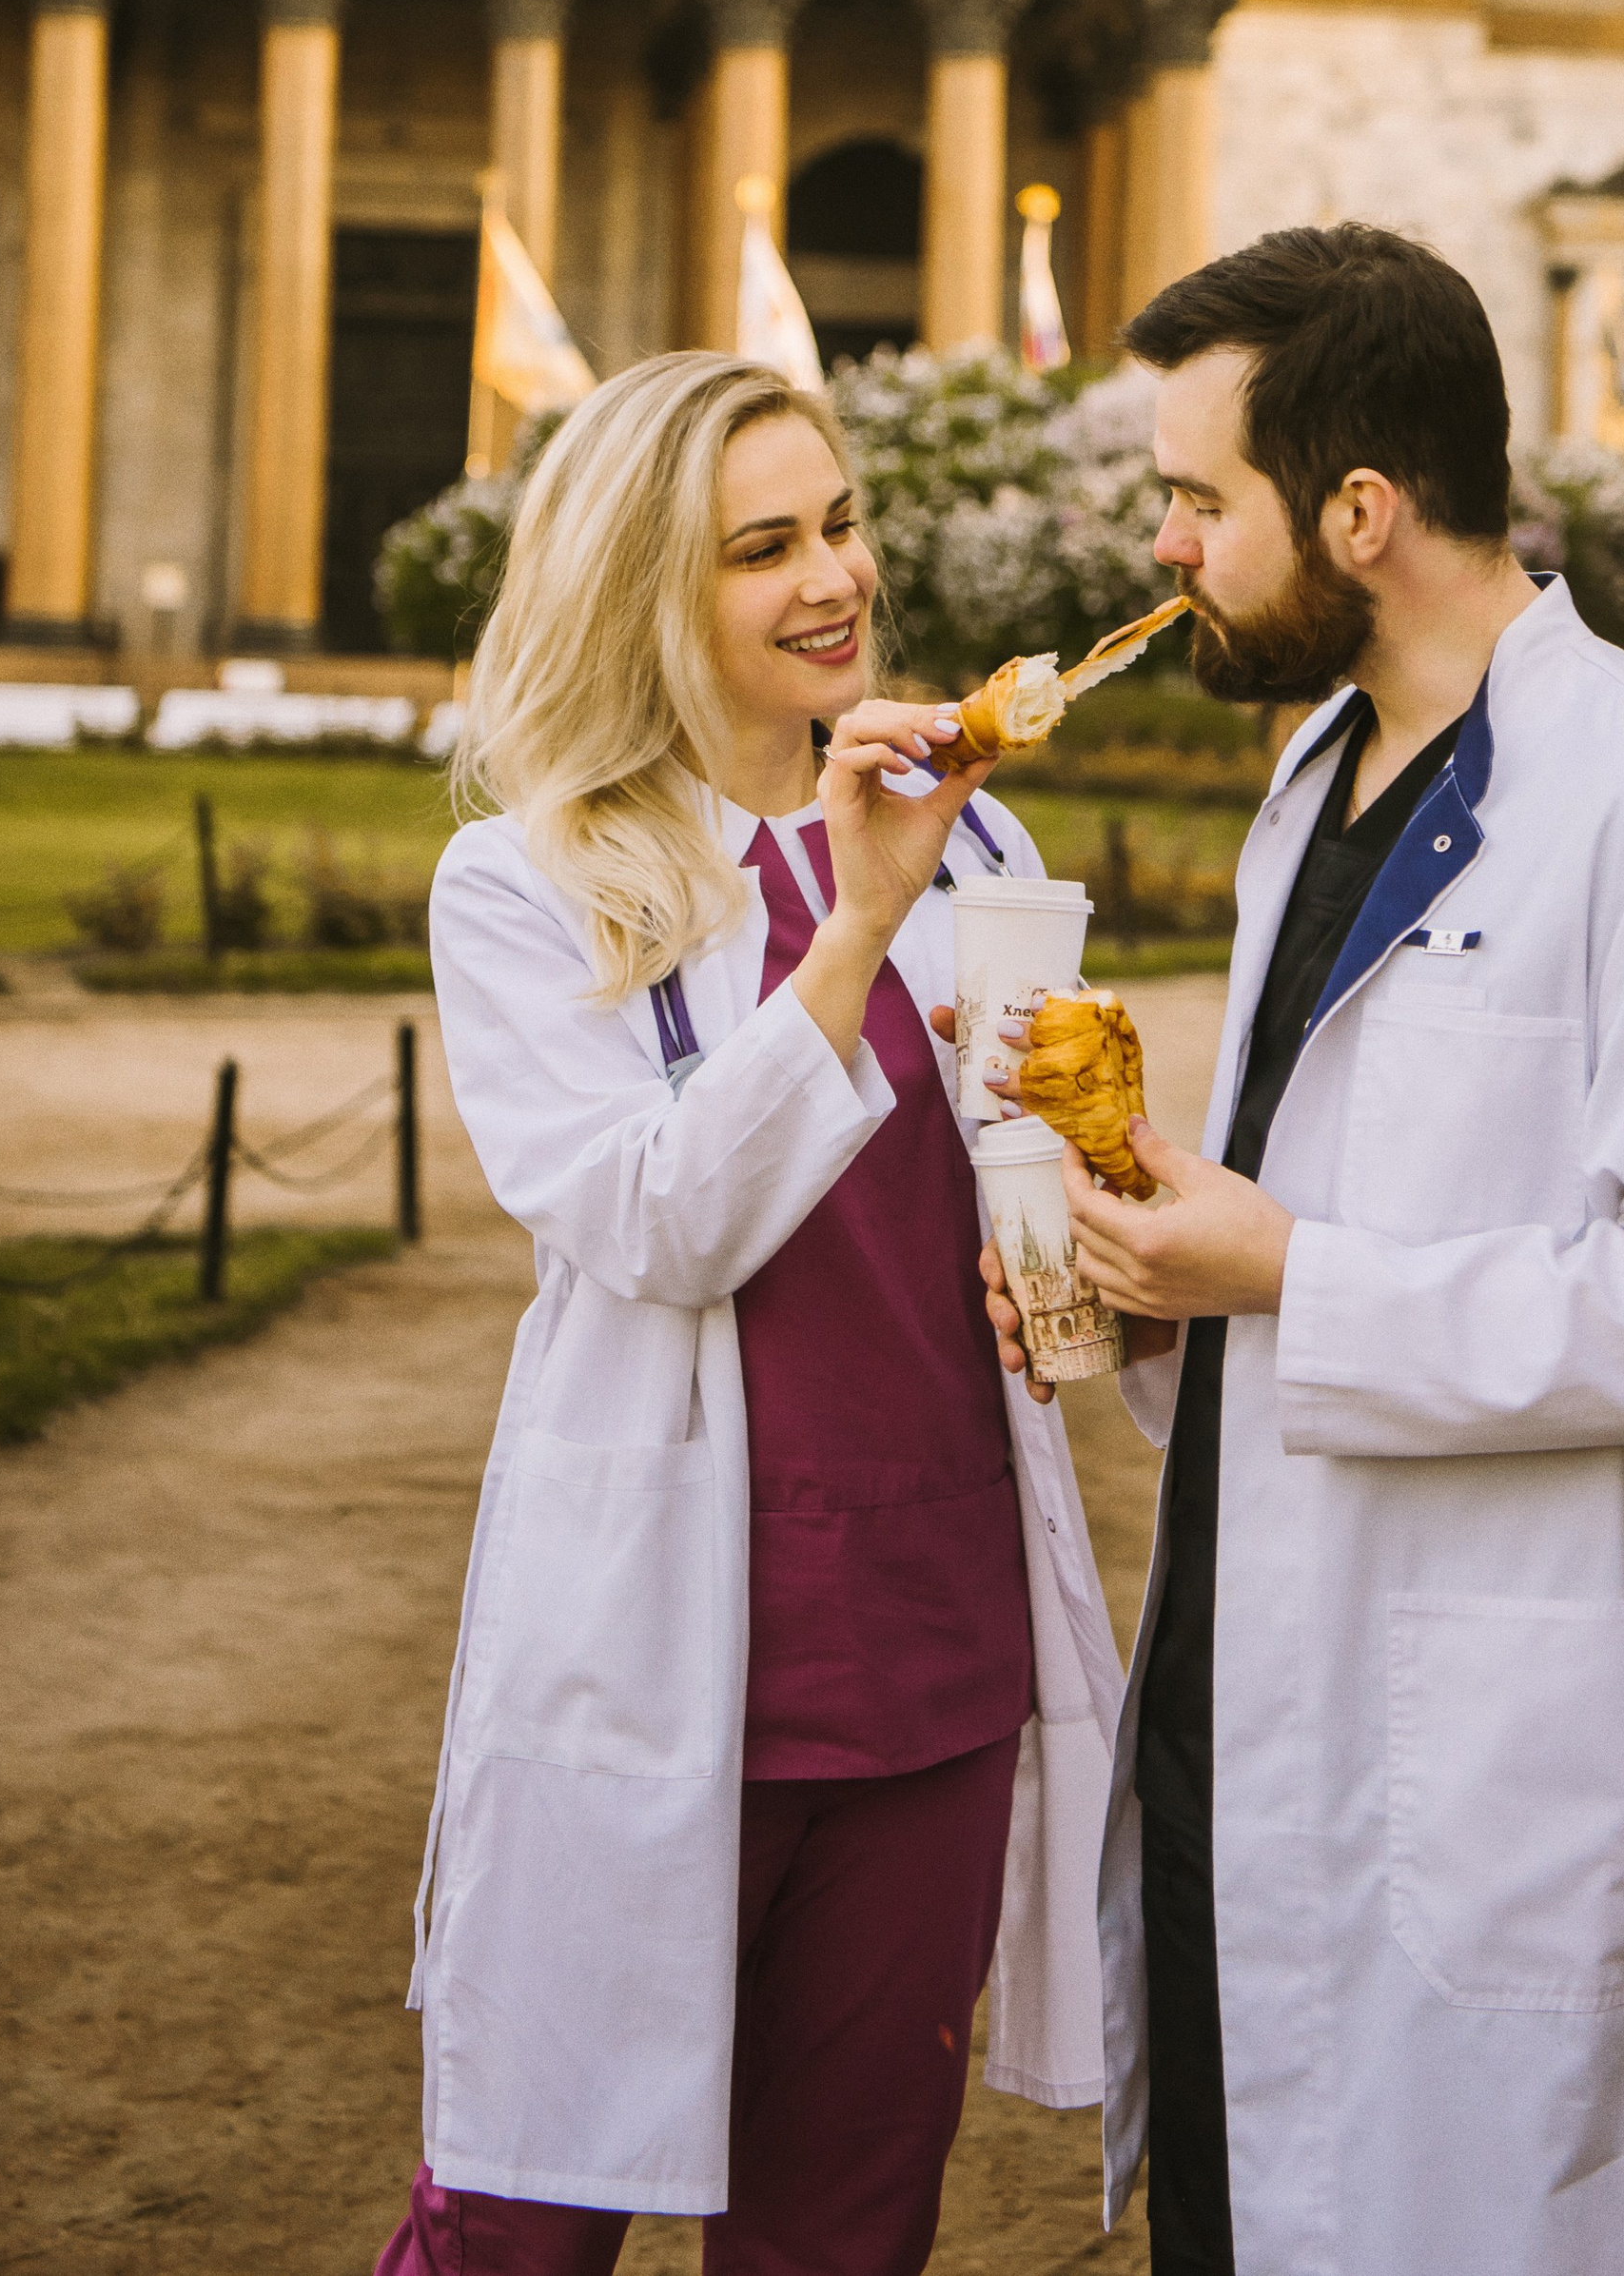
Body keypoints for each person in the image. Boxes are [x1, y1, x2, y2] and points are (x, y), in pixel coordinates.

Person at [983, 226, 1624, 2276]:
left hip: (1501, 1758)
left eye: (1198, 498)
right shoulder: (1315, 773)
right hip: (1238, 1722)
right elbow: (1319, 1199)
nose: (1163, 544)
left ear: (1358, 512)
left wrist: (1288, 1273)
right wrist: (1148, 1278)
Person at [378, 352, 1121, 2276]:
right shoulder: (526, 882)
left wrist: (1092, 1227)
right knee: (515, 2226)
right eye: (763, 546)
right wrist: (854, 923)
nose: (836, 577)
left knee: (842, 2233)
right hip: (665, 1651)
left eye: (843, 524)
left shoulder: (982, 845)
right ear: (647, 587)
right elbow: (652, 1221)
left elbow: (1030, 1203)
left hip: (934, 1656)